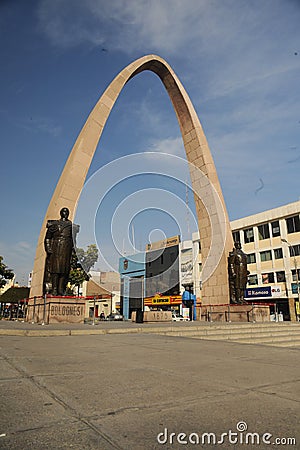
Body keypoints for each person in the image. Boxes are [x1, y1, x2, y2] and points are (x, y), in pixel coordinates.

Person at [43, 207, 79, 296]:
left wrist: (74, 250)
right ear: (61, 213)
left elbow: (73, 240)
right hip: (56, 248)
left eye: (67, 212)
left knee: (64, 270)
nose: (65, 213)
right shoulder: (54, 224)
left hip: (66, 249)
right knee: (55, 269)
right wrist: (48, 248)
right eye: (64, 212)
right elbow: (47, 238)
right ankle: (54, 288)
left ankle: (61, 289)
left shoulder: (71, 225)